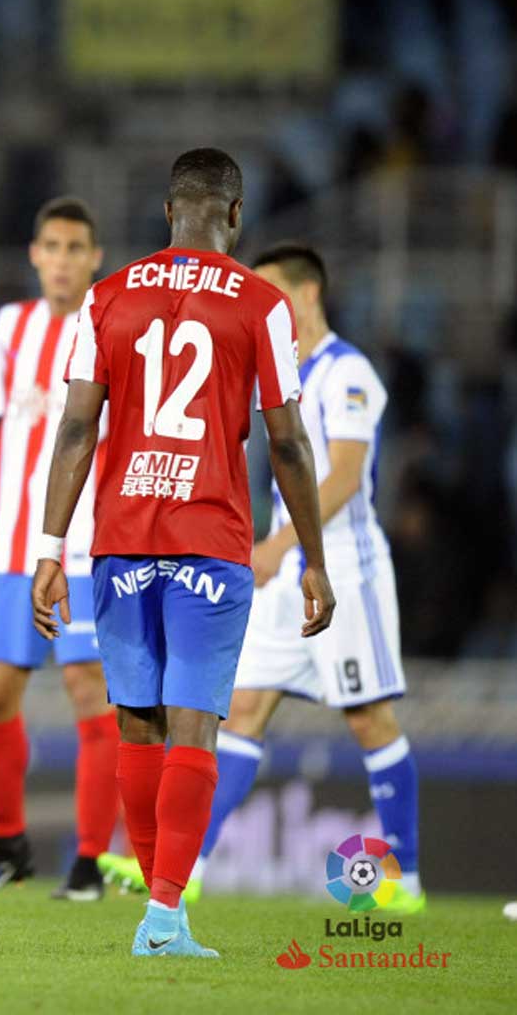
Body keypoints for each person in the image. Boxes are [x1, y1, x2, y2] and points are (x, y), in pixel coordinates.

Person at [32, 148, 335, 957]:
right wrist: (314, 557)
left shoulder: (105, 299)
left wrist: (51, 546)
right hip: (212, 542)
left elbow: (74, 426)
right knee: (196, 729)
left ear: (169, 213)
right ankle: (163, 916)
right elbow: (289, 443)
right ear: (235, 214)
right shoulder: (263, 305)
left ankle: (154, 909)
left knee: (137, 727)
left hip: (123, 543)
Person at [179, 243, 421, 913]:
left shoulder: (348, 373)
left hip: (345, 568)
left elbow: (343, 477)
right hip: (288, 568)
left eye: (270, 294)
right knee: (244, 709)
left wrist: (278, 544)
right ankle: (186, 871)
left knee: (369, 718)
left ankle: (409, 882)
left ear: (307, 295)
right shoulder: (277, 378)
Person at [0, 198, 121, 900]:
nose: (63, 258)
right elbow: (12, 432)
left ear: (95, 257)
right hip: (12, 543)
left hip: (83, 545)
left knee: (89, 695)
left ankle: (87, 863)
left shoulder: (113, 326)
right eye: (52, 245)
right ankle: (10, 846)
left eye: (77, 246)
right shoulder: (9, 326)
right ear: (34, 253)